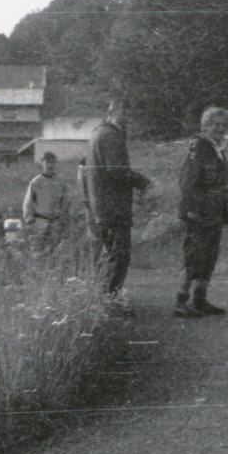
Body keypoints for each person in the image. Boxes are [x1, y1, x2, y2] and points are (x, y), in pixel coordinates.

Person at [175, 106, 228, 318]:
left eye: (224, 125)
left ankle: (200, 300)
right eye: (216, 125)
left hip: (214, 212)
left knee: (208, 257)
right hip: (198, 213)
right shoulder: (199, 147)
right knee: (193, 257)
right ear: (205, 125)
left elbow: (222, 186)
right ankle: (181, 302)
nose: (221, 129)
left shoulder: (217, 148)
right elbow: (187, 182)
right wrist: (191, 209)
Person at [81, 97, 152, 314]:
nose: (128, 118)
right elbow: (117, 170)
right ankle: (109, 304)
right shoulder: (111, 136)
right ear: (113, 113)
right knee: (119, 255)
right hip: (113, 206)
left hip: (101, 205)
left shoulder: (97, 133)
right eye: (124, 113)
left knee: (110, 254)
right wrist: (143, 182)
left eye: (129, 114)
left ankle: (104, 301)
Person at [21, 151, 69, 255]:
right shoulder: (36, 182)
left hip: (56, 221)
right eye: (47, 162)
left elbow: (65, 201)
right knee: (38, 250)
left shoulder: (61, 182)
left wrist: (63, 218)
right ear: (42, 163)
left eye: (52, 162)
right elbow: (28, 201)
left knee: (55, 250)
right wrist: (29, 218)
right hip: (41, 220)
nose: (50, 165)